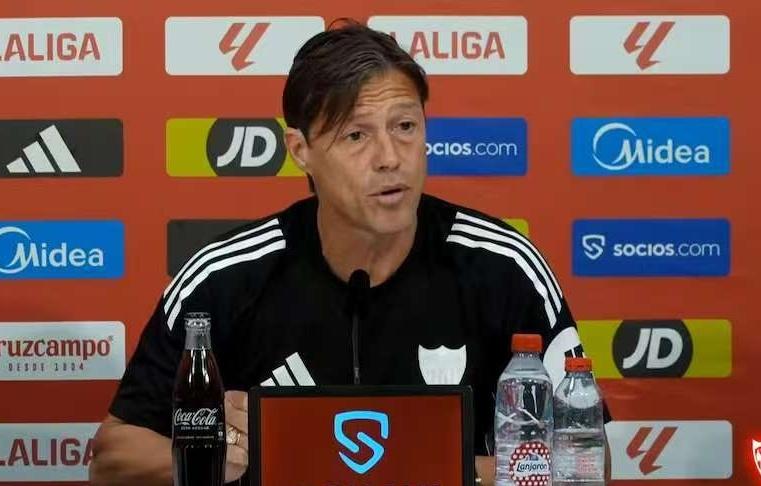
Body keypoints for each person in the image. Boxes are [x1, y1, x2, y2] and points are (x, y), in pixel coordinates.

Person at [90, 22, 610, 485]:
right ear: (301, 151)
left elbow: (589, 459)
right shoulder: (225, 277)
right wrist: (211, 452)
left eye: (405, 127)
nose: (390, 158)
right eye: (356, 135)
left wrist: (446, 468)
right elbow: (112, 457)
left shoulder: (503, 265)